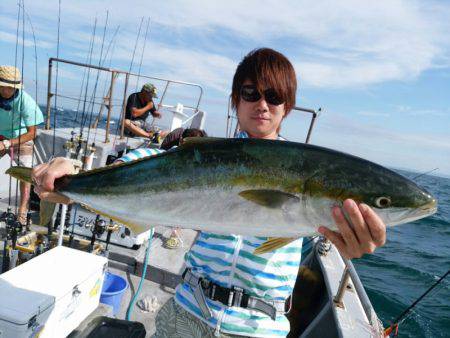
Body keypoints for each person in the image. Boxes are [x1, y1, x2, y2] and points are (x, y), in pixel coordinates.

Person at [31, 48, 386, 337]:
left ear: (287, 106)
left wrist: (347, 243)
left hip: (258, 330)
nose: (262, 104)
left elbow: (327, 235)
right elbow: (150, 159)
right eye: (251, 93)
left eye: (274, 96)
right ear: (236, 100)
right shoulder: (203, 153)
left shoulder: (304, 168)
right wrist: (69, 173)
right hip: (186, 311)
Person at [0, 65, 44, 224]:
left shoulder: (26, 101)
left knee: (26, 173)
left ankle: (22, 213)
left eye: (12, 87)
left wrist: (7, 143)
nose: (8, 90)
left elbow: (32, 133)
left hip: (21, 137)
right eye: (5, 87)